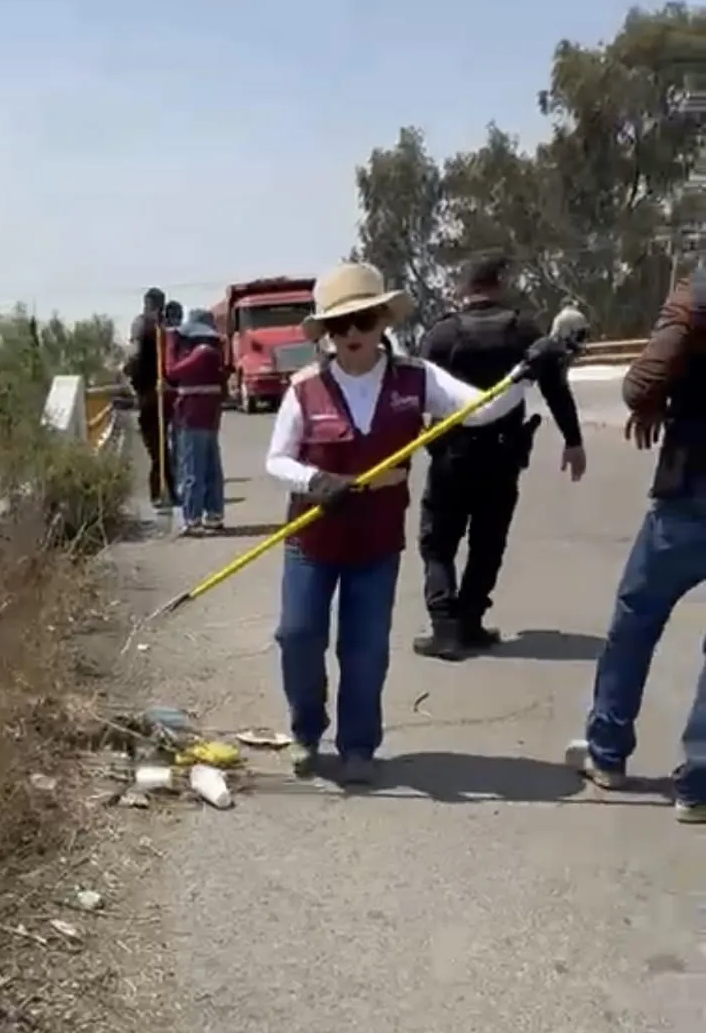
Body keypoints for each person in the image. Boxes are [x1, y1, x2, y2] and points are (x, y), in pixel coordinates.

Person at [265, 261, 567, 782]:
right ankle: (306, 732)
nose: (353, 334)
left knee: (364, 650)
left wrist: (525, 375)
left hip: (376, 542)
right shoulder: (305, 388)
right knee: (298, 636)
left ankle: (359, 746)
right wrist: (316, 480)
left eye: (363, 320)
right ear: (327, 334)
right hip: (312, 538)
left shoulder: (416, 378)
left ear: (384, 319)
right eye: (339, 326)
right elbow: (277, 460)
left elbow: (481, 409)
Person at [565, 269, 706, 823]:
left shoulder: (698, 292)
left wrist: (658, 398)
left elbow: (639, 386)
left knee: (636, 618)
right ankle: (698, 785)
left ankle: (607, 752)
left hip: (692, 490)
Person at [413, 254, 587, 660]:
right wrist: (573, 440)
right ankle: (470, 622)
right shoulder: (523, 330)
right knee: (488, 540)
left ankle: (445, 628)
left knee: (438, 542)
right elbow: (556, 389)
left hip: (450, 456)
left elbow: (414, 394)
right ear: (498, 286)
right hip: (503, 455)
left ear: (464, 289)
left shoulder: (440, 335)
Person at [166, 309, 227, 535]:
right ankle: (213, 514)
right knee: (210, 468)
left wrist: (170, 344)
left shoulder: (202, 354)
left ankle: (192, 518)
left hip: (193, 418)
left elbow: (171, 371)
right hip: (206, 417)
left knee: (192, 468)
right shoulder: (211, 354)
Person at [124, 287, 177, 506]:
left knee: (158, 447)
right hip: (160, 394)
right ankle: (166, 491)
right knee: (162, 446)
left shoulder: (143, 324)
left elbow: (134, 357)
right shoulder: (160, 327)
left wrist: (128, 374)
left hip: (149, 393)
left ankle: (161, 493)